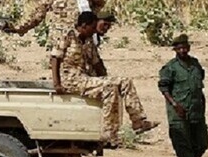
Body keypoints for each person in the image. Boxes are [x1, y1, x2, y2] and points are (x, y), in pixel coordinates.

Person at [52, 12, 158, 146]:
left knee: (125, 81)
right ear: (84, 25)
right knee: (110, 88)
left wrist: (106, 78)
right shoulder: (68, 35)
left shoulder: (89, 41)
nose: (94, 30)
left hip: (85, 79)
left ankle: (138, 121)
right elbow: (55, 58)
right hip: (71, 80)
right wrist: (57, 84)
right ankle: (109, 134)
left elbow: (97, 63)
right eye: (92, 27)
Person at [158, 34, 208, 157]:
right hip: (178, 113)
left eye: (185, 48)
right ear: (175, 50)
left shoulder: (195, 64)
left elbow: (200, 84)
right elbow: (164, 88)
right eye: (179, 48)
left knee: (201, 144)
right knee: (183, 146)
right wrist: (175, 105)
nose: (183, 51)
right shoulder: (171, 68)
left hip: (196, 111)